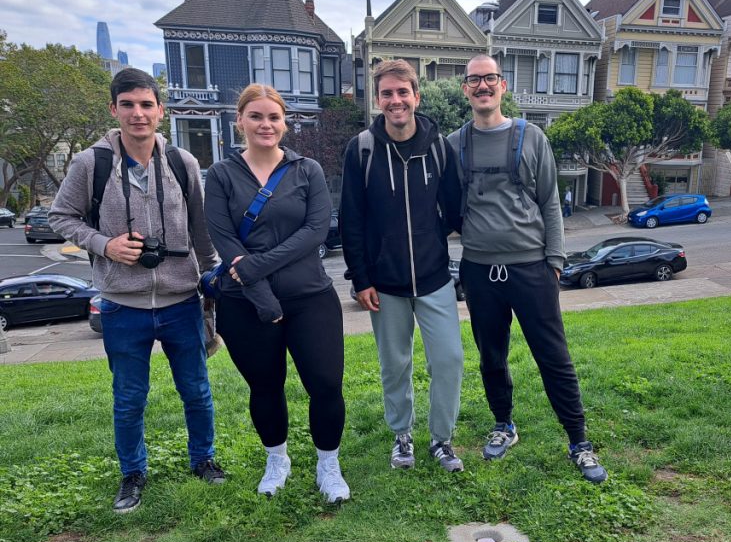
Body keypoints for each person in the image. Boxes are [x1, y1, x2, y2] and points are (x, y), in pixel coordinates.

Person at [49, 67, 224, 513]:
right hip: (121, 304)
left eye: (147, 104)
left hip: (181, 300)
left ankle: (204, 460)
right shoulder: (91, 163)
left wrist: (212, 279)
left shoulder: (183, 163)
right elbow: (61, 217)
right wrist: (104, 244)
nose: (138, 114)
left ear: (161, 111)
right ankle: (132, 474)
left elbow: (201, 231)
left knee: (197, 391)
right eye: (128, 105)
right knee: (129, 399)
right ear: (114, 109)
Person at [450, 55, 607, 483]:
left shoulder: (531, 136)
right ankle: (504, 425)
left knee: (554, 357)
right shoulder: (454, 144)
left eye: (490, 79)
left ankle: (579, 442)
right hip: (479, 271)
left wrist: (554, 262)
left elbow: (551, 202)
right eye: (474, 80)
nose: (483, 86)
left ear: (503, 86)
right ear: (465, 89)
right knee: (491, 357)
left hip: (532, 268)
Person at [204, 84, 348, 503]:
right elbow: (225, 238)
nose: (265, 124)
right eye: (256, 116)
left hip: (310, 297)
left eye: (273, 117)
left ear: (285, 123)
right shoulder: (222, 174)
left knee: (326, 384)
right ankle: (277, 460)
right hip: (244, 304)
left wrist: (255, 267)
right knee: (265, 386)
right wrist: (261, 294)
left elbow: (314, 231)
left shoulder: (307, 170)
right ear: (240, 121)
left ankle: (328, 465)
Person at [341, 60, 464, 472]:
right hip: (385, 284)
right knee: (395, 365)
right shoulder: (361, 149)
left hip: (435, 278)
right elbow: (352, 220)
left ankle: (442, 440)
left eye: (403, 92)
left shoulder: (439, 147)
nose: (396, 100)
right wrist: (362, 277)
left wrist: (431, 238)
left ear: (416, 96)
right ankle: (402, 436)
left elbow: (453, 209)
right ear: (378, 100)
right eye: (387, 94)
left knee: (448, 360)